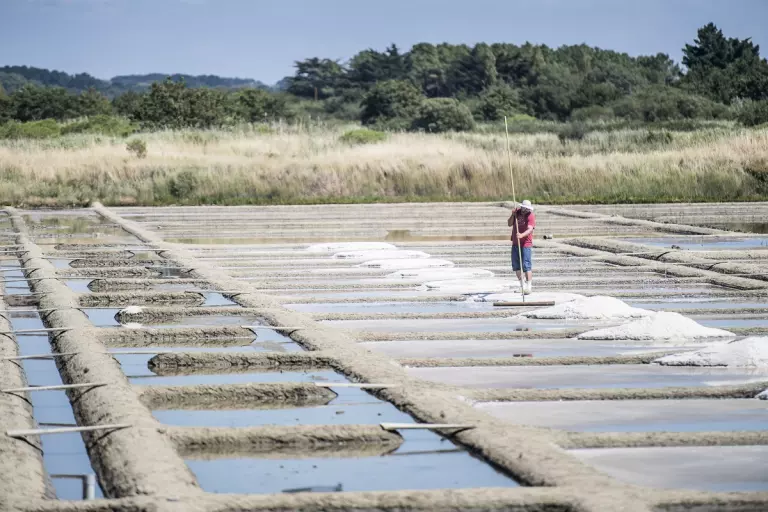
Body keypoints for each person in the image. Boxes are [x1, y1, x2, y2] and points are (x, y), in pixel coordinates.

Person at [508, 199, 535, 294]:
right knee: (516, 266)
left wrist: (522, 235)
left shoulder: (530, 215)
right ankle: (522, 285)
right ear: (522, 207)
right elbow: (509, 224)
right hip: (515, 243)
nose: (526, 210)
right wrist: (513, 215)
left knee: (526, 265)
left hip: (526, 244)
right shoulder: (517, 212)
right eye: (525, 208)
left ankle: (529, 287)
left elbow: (530, 229)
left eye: (528, 209)